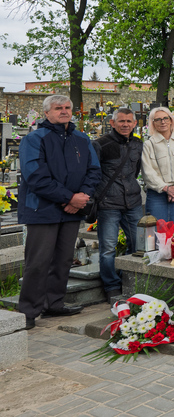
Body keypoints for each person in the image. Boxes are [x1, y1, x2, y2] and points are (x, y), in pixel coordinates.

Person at [17, 95, 102, 329]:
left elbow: (93, 170)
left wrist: (80, 198)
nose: (64, 111)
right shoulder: (35, 139)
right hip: (42, 209)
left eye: (67, 107)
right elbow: (35, 176)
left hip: (71, 211)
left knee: (63, 259)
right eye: (58, 108)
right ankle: (28, 312)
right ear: (46, 113)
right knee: (38, 262)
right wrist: (69, 198)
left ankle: (53, 303)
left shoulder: (81, 139)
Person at [92, 107, 143, 299]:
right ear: (112, 123)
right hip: (108, 204)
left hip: (133, 202)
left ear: (135, 123)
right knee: (107, 248)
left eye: (129, 121)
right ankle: (111, 286)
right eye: (121, 121)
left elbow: (135, 171)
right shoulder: (100, 144)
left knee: (137, 244)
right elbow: (94, 173)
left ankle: (126, 279)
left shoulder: (138, 144)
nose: (125, 125)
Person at [143, 107, 174, 223]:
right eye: (158, 119)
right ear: (153, 123)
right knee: (157, 232)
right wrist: (166, 188)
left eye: (166, 118)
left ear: (171, 120)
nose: (163, 122)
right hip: (157, 194)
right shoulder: (149, 144)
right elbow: (147, 171)